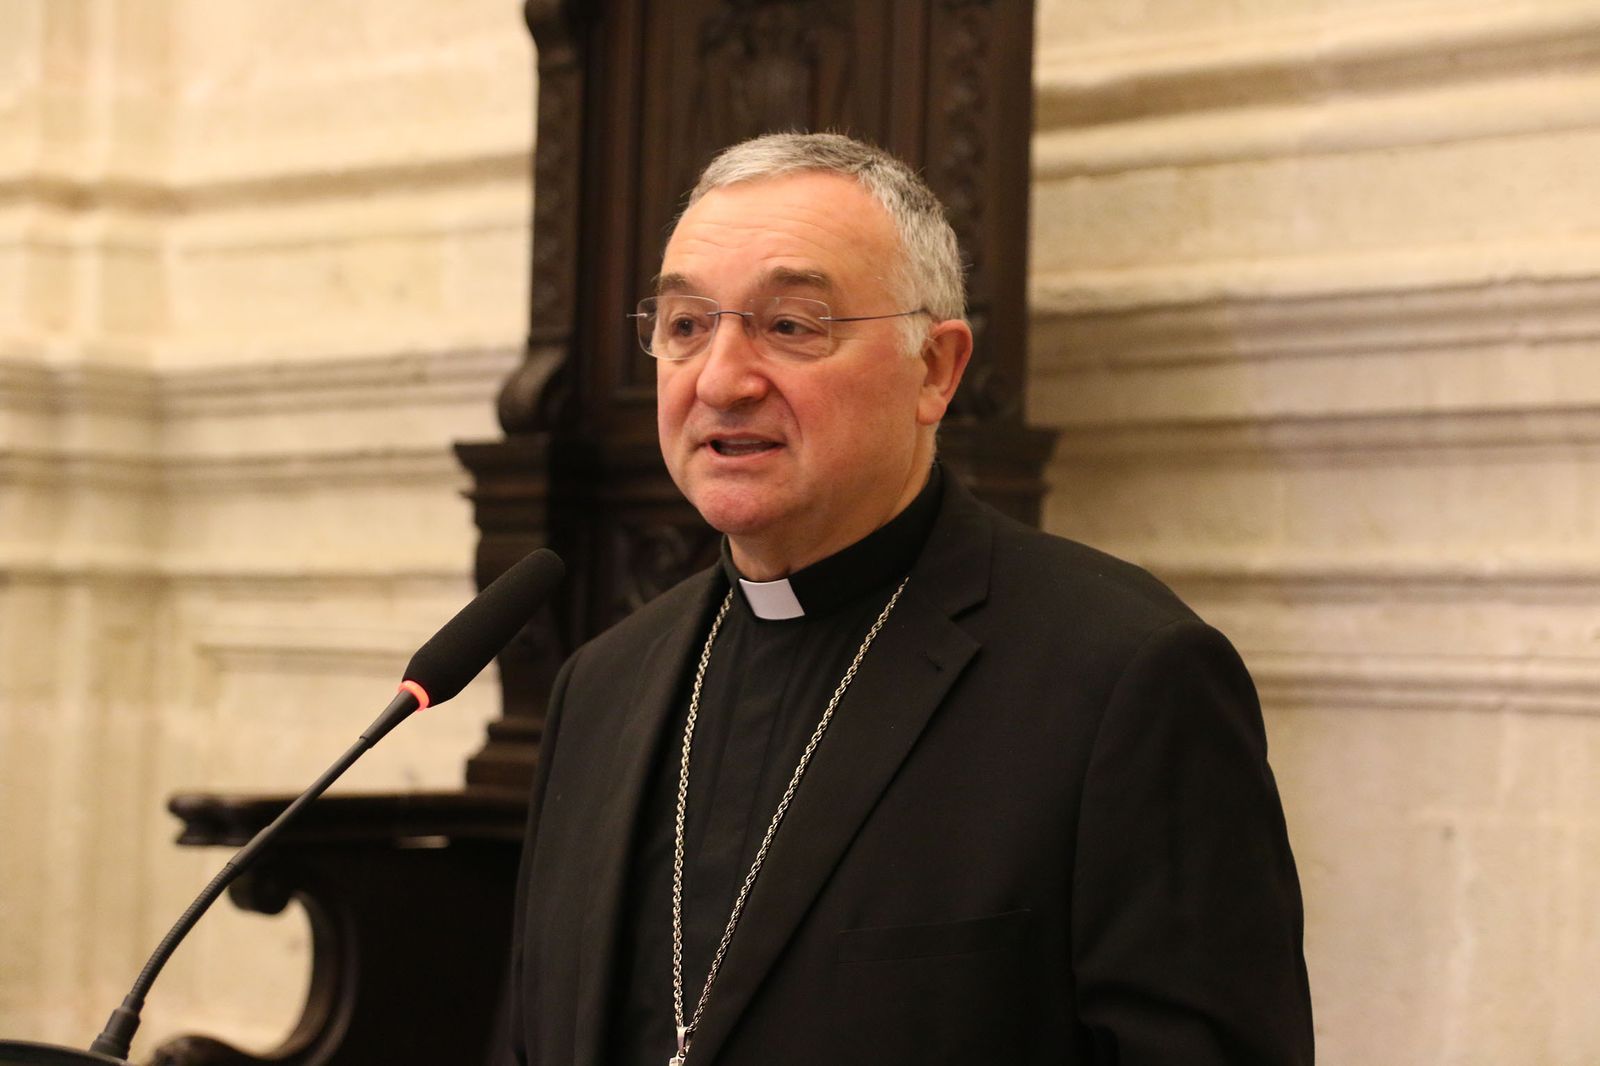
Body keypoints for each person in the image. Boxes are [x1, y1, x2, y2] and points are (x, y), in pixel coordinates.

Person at [500, 132, 1313, 1065]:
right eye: (686, 327)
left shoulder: (1123, 679)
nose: (721, 379)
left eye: (791, 325)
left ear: (935, 369)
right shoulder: (601, 689)